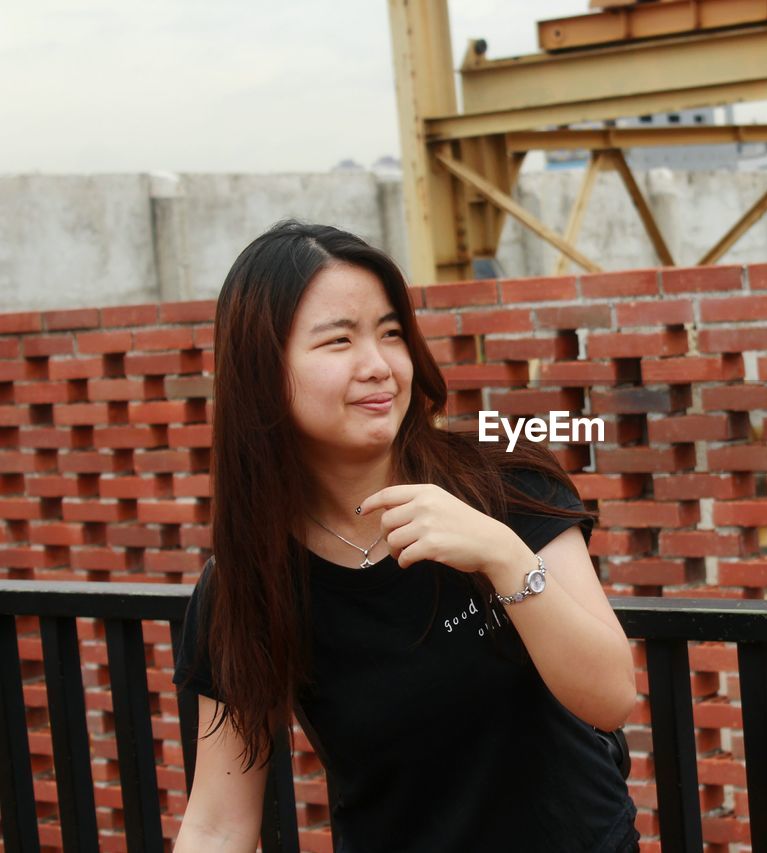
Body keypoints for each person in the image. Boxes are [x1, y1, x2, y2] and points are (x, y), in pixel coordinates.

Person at [171, 220, 639, 852]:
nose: (378, 366)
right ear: (263, 371)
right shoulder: (250, 580)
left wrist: (503, 555)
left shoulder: (506, 484)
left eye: (390, 333)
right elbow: (219, 823)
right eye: (338, 341)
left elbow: (610, 696)